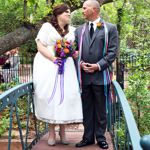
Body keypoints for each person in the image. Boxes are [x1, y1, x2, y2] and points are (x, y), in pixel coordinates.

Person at [33, 4, 83, 146]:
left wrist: (73, 53)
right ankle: (51, 132)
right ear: (58, 14)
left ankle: (63, 132)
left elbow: (73, 50)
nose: (69, 14)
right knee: (51, 96)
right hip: (49, 65)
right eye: (67, 12)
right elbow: (40, 46)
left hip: (67, 67)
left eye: (69, 12)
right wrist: (54, 59)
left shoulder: (72, 30)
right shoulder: (47, 27)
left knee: (66, 96)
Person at [75, 0, 118, 149]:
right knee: (86, 109)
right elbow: (75, 52)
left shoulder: (110, 28)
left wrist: (98, 66)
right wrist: (80, 63)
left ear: (94, 9)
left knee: (100, 110)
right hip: (84, 77)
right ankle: (87, 138)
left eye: (84, 8)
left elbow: (113, 52)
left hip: (101, 77)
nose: (82, 11)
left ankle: (101, 138)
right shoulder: (79, 30)